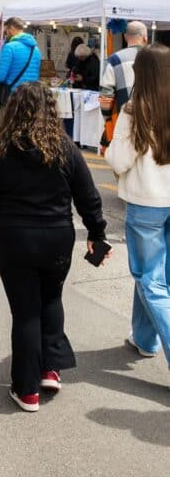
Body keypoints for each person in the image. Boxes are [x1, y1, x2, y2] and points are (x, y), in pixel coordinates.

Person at [0, 82, 109, 413]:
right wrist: (97, 232)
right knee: (51, 298)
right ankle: (49, 369)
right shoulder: (65, 148)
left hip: (15, 237)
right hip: (57, 236)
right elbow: (89, 197)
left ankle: (27, 390)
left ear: (13, 110)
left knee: (26, 312)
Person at [105, 43, 170, 367]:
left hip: (147, 202)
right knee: (160, 277)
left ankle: (156, 340)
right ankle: (145, 339)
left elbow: (119, 159)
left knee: (150, 279)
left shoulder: (136, 109)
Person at [99, 20, 149, 113]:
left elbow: (106, 95)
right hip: (154, 120)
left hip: (122, 119)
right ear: (145, 38)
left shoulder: (114, 60)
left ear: (125, 37)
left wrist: (107, 118)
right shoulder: (158, 58)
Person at [0, 17, 42, 93]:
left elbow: (0, 77)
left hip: (15, 93)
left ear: (11, 28)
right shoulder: (35, 48)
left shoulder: (9, 47)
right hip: (32, 92)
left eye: (6, 31)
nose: (6, 34)